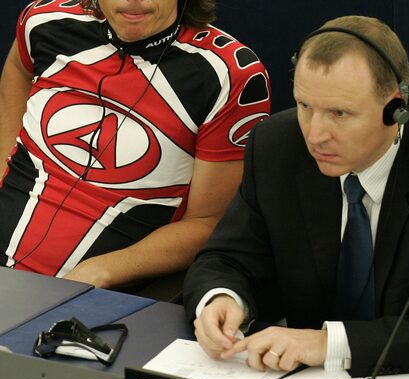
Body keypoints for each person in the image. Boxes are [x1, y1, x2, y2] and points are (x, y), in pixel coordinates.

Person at [183, 15, 409, 378]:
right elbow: (228, 256)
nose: (315, 134)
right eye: (305, 106)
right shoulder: (276, 146)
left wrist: (327, 344)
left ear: (395, 108)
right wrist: (222, 298)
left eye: (339, 113)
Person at [0, 0, 271, 289]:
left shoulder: (229, 74)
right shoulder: (43, 20)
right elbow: (19, 68)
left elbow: (209, 222)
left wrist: (103, 271)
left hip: (101, 292)